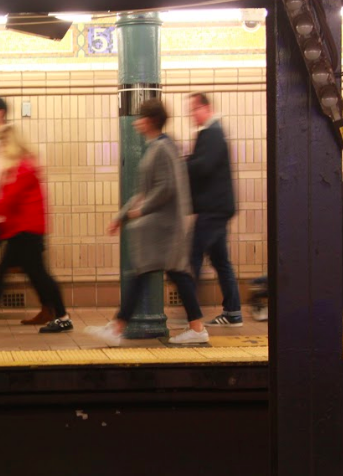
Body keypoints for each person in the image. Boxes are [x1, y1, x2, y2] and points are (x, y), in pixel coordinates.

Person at [85, 98, 209, 346]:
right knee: (171, 274)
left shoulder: (162, 148)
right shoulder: (158, 146)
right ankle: (195, 328)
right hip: (162, 227)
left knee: (146, 273)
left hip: (164, 227)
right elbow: (146, 190)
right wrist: (122, 215)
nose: (136, 123)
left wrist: (141, 210)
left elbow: (165, 188)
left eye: (141, 117)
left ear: (151, 121)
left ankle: (118, 327)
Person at [0, 125, 73, 334]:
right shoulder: (17, 168)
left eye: (4, 144)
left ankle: (62, 317)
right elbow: (5, 197)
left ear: (13, 144)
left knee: (38, 275)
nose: (1, 148)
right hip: (20, 230)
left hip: (27, 231)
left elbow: (9, 198)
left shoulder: (24, 168)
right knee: (33, 274)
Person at [0, 97, 54, 326]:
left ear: (0, 112)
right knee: (22, 266)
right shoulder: (0, 140)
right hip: (0, 214)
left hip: (5, 216)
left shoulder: (8, 139)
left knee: (4, 264)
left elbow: (6, 186)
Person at [187, 93, 243, 327]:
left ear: (206, 108)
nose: (191, 115)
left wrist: (181, 164)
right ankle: (233, 312)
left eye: (193, 110)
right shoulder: (213, 133)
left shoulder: (212, 133)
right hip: (218, 207)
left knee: (192, 258)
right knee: (221, 261)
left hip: (213, 209)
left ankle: (193, 316)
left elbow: (202, 167)